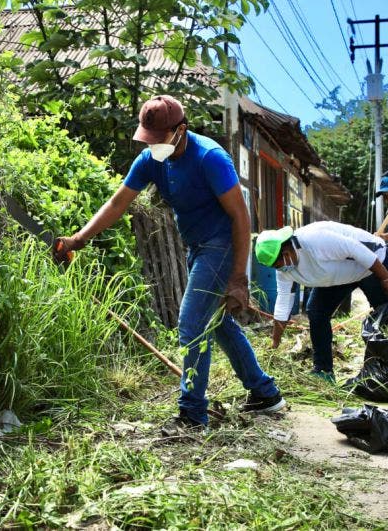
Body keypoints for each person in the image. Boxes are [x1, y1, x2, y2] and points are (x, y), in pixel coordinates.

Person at [54, 95, 285, 433]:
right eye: (149, 139)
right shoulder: (151, 160)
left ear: (181, 130)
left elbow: (240, 217)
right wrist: (79, 238)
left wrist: (238, 278)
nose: (153, 146)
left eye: (159, 138)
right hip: (196, 247)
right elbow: (118, 202)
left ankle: (192, 415)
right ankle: (264, 394)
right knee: (217, 325)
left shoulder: (210, 158)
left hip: (221, 246)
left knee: (191, 325)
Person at [254, 222, 388, 383]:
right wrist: (275, 342)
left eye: (278, 264)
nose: (280, 269)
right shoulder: (283, 271)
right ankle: (323, 371)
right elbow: (283, 303)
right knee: (316, 312)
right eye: (274, 267)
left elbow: (355, 249)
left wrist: (385, 278)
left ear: (286, 250)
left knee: (385, 315)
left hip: (372, 264)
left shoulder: (314, 240)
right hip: (339, 276)